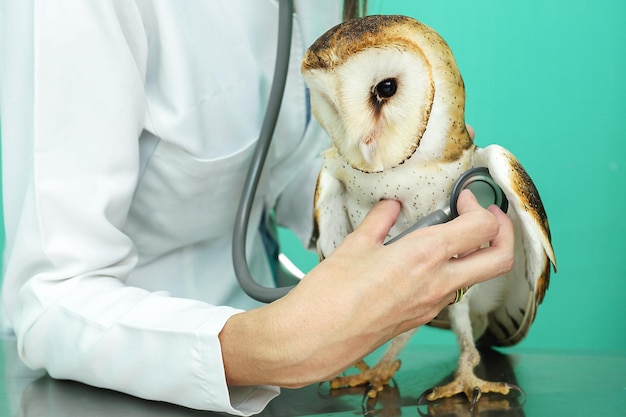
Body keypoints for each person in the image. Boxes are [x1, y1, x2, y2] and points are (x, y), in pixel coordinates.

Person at [0, 1, 514, 416]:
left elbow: (287, 158)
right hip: (112, 384)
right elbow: (49, 299)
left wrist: (405, 195)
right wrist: (276, 344)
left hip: (285, 380)